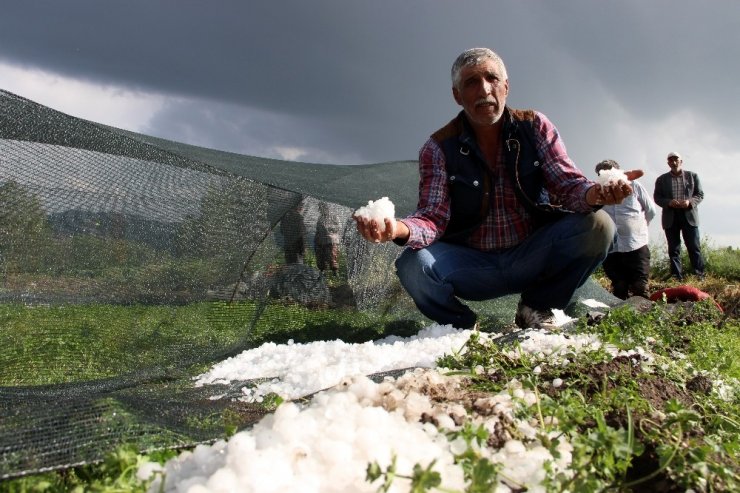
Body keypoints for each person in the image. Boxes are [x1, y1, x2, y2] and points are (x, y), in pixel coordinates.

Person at [354, 47, 639, 330]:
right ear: (457, 96)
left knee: (599, 226)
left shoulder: (535, 126)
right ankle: (460, 329)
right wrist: (397, 228)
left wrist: (596, 193)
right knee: (413, 266)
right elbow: (432, 218)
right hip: (472, 265)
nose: (484, 89)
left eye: (491, 79)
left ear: (506, 86)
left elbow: (566, 184)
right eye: (471, 82)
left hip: (532, 254)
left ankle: (537, 306)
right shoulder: (438, 147)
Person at [595, 159, 657, 299]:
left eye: (610, 170)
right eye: (602, 172)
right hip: (612, 247)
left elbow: (651, 210)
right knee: (619, 286)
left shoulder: (635, 186)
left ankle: (643, 317)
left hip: (636, 244)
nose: (606, 174)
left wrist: (641, 227)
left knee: (640, 286)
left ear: (618, 172)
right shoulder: (597, 191)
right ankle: (621, 319)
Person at [653, 152, 705, 280]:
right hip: (671, 216)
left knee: (694, 247)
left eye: (676, 159)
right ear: (668, 163)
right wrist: (669, 202)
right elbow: (657, 198)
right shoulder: (661, 179)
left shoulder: (692, 176)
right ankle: (677, 276)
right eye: (670, 160)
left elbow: (700, 195)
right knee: (673, 249)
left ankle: (699, 276)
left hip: (689, 215)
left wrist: (689, 202)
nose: (673, 162)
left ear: (681, 161)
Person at [315, 201, 341, 276]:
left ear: (326, 208)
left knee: (332, 256)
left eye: (321, 208)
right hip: (322, 241)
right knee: (322, 257)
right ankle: (323, 272)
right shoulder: (320, 218)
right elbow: (318, 229)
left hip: (332, 241)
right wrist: (317, 239)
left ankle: (335, 272)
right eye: (320, 209)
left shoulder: (334, 216)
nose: (320, 210)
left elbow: (339, 227)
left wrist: (329, 228)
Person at [280, 198, 306, 265]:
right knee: (297, 268)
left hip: (288, 247)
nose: (302, 208)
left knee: (290, 266)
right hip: (297, 249)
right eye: (302, 206)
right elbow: (301, 235)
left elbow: (282, 231)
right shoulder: (298, 217)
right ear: (298, 207)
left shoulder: (285, 216)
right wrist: (303, 249)